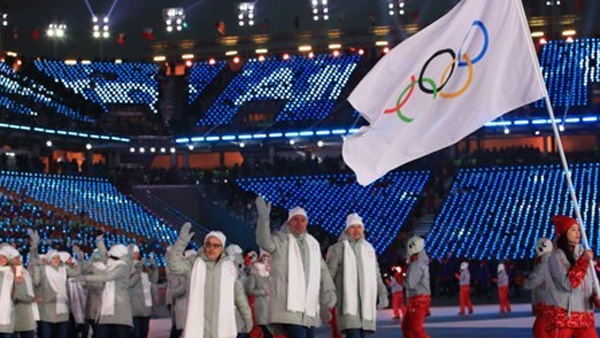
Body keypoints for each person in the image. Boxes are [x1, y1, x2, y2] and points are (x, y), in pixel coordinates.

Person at [255, 197, 336, 338]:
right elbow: (264, 242)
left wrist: (329, 289)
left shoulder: (313, 244)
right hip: (287, 307)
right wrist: (263, 220)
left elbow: (323, 271)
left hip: (308, 309)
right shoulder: (281, 240)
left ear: (307, 223)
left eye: (302, 220)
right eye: (295, 219)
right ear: (289, 222)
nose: (299, 223)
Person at [167, 224, 253, 338]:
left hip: (221, 329)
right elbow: (173, 264)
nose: (211, 248)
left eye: (215, 245)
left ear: (222, 248)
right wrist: (181, 242)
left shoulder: (230, 268)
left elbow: (238, 294)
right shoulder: (194, 262)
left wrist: (247, 316)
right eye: (208, 244)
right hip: (199, 329)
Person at [325, 213, 389, 337]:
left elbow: (376, 276)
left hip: (365, 307)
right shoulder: (337, 249)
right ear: (347, 229)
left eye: (359, 227)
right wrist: (326, 297)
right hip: (347, 307)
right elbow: (328, 276)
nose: (356, 230)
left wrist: (383, 293)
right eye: (353, 227)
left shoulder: (369, 249)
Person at [547, 215, 599, 337]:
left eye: (578, 229)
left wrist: (597, 296)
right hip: (565, 317)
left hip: (585, 317)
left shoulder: (584, 254)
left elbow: (592, 282)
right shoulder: (556, 256)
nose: (577, 233)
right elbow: (569, 284)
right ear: (563, 233)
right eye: (573, 229)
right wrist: (584, 261)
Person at [77, 243, 134, 338]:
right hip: (105, 313)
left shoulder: (123, 267)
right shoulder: (109, 265)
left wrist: (85, 278)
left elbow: (108, 277)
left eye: (111, 255)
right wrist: (99, 240)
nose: (108, 257)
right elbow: (104, 255)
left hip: (120, 314)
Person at [30, 248, 81, 338]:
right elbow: (36, 281)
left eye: (58, 258)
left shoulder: (64, 270)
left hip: (62, 311)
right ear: (49, 259)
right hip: (47, 311)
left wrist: (77, 259)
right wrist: (34, 247)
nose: (56, 260)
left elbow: (77, 273)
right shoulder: (43, 270)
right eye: (54, 258)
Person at [401, 236, 431, 338]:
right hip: (418, 298)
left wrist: (399, 278)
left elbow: (410, 284)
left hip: (417, 299)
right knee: (407, 327)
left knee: (415, 329)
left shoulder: (416, 264)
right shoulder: (421, 263)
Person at [523, 238, 553, 338]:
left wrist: (524, 281)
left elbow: (534, 281)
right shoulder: (553, 262)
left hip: (547, 303)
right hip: (552, 303)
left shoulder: (544, 264)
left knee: (540, 331)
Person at [130, 245, 158, 338]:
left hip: (146, 304)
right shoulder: (127, 266)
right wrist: (137, 268)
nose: (137, 254)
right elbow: (129, 282)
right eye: (134, 252)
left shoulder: (143, 265)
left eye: (137, 252)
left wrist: (154, 267)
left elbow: (153, 279)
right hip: (134, 305)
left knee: (144, 331)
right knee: (136, 333)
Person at [247, 252, 271, 338]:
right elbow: (250, 290)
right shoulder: (255, 270)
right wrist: (264, 291)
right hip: (261, 309)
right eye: (265, 257)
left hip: (273, 311)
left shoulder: (274, 270)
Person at [0, 245, 16, 338]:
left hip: (7, 311)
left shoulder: (13, 271)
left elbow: (18, 287)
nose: (1, 259)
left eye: (4, 257)